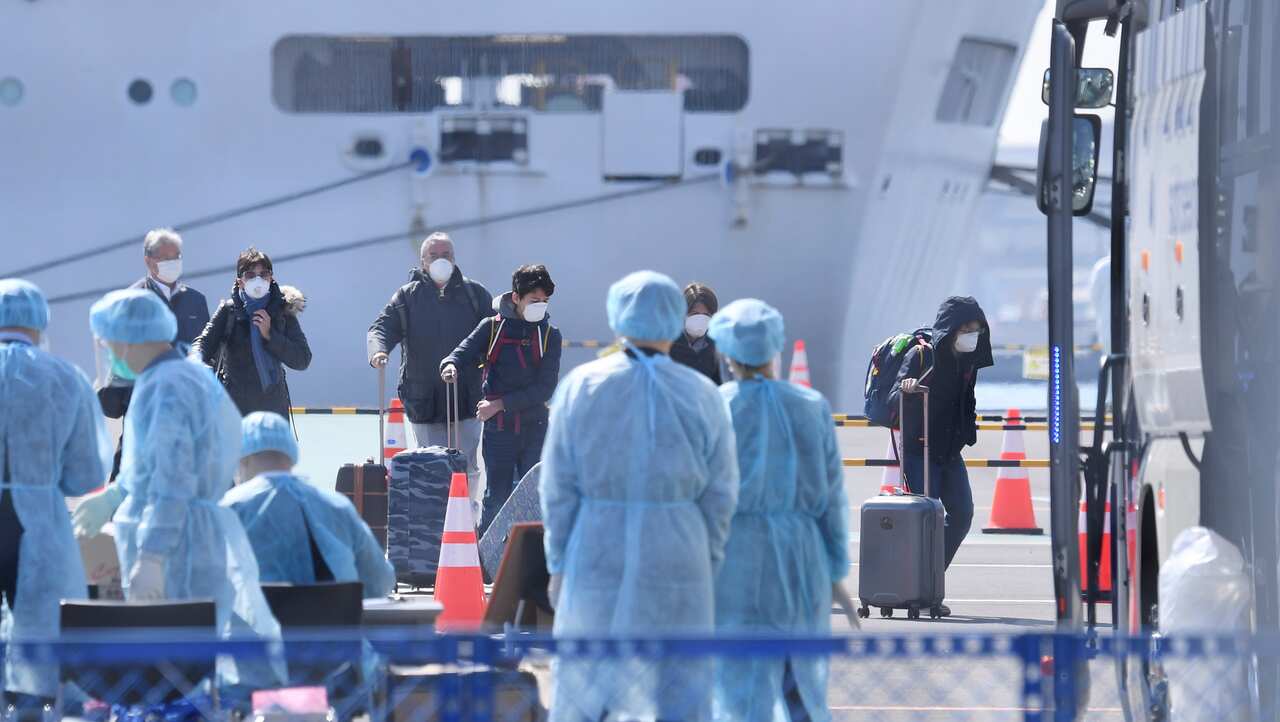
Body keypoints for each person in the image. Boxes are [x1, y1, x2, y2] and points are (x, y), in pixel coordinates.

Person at [540, 270, 739, 722]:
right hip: (680, 552)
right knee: (680, 687)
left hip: (596, 552)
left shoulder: (582, 387)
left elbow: (557, 488)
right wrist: (707, 556)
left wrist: (558, 562)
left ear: (618, 319)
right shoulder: (704, 394)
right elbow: (721, 491)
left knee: (588, 689)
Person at [73, 289, 280, 680]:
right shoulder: (180, 376)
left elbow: (174, 480)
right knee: (192, 668)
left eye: (111, 341)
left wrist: (152, 556)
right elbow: (155, 466)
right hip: (187, 538)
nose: (110, 351)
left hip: (174, 549)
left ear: (131, 338)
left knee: (174, 675)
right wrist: (116, 493)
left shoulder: (167, 386)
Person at [706, 299, 852, 722]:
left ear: (727, 353)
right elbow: (831, 496)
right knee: (799, 673)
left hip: (732, 553)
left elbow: (702, 491)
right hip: (799, 553)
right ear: (775, 349)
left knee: (735, 678)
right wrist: (836, 569)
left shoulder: (716, 405)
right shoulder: (810, 406)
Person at [0, 279, 112, 708]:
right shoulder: (66, 379)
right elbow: (86, 476)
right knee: (40, 650)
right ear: (39, 322)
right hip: (41, 526)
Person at [889, 296, 993, 615]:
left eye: (976, 329)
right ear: (952, 329)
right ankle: (913, 590)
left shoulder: (968, 362)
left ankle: (927, 585)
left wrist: (968, 433)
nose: (972, 335)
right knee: (926, 521)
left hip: (949, 451)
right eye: (967, 329)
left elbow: (967, 402)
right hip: (919, 449)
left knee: (962, 514)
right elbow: (893, 398)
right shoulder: (923, 355)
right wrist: (905, 388)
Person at [442, 264, 561, 535]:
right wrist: (450, 365)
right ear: (516, 298)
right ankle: (487, 566)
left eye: (544, 301)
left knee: (534, 499)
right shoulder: (492, 328)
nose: (540, 306)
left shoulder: (550, 336)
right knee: (496, 498)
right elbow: (461, 352)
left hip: (535, 428)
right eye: (534, 300)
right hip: (499, 432)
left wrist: (499, 404)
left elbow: (545, 389)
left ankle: (531, 567)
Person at [222, 412, 395, 597]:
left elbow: (196, 584)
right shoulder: (337, 507)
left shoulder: (227, 509)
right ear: (290, 455)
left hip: (249, 626)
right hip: (330, 623)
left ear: (242, 460)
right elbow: (380, 581)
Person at [368, 232, 492, 491]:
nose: (440, 260)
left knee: (467, 465)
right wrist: (379, 351)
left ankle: (469, 519)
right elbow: (381, 328)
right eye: (433, 256)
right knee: (430, 465)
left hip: (466, 399)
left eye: (446, 255)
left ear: (454, 259)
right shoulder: (406, 297)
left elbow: (494, 332)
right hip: (424, 400)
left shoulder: (475, 294)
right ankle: (434, 523)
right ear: (422, 261)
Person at [98, 228, 211, 479]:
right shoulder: (132, 301)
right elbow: (118, 356)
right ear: (148, 260)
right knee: (128, 481)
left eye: (177, 257)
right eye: (166, 258)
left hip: (186, 411)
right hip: (143, 407)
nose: (173, 264)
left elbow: (207, 350)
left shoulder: (196, 301)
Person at [192, 247, 311, 418]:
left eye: (264, 274)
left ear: (271, 278)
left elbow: (302, 359)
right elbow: (203, 343)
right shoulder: (229, 311)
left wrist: (270, 335)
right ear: (240, 281)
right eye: (250, 275)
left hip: (273, 414)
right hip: (234, 413)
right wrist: (195, 361)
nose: (258, 280)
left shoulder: (282, 312)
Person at [670, 282, 723, 384]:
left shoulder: (717, 350)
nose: (700, 319)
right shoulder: (668, 345)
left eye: (706, 315)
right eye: (694, 313)